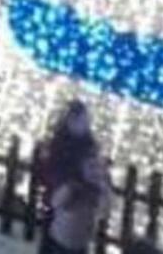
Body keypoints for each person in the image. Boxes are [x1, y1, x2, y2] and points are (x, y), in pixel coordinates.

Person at [38, 102, 106, 254]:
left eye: (85, 121)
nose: (83, 125)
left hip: (79, 213)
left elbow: (95, 170)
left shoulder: (89, 146)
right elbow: (50, 171)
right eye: (79, 121)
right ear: (70, 121)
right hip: (60, 204)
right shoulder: (60, 144)